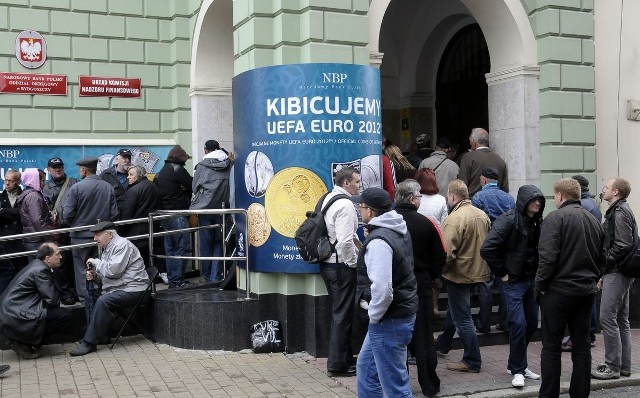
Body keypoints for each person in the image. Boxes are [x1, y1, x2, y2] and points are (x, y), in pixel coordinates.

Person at [536, 178, 604, 398]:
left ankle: (549, 395)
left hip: (559, 291)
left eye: (554, 196)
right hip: (585, 292)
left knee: (551, 347)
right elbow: (603, 257)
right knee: (582, 346)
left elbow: (547, 258)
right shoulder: (593, 219)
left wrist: (540, 286)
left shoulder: (555, 218)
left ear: (560, 196)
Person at [353, 188, 418, 397]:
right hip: (395, 315)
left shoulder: (380, 241)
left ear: (370, 211)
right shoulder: (395, 229)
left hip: (388, 319)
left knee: (394, 386)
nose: (359, 211)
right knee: (366, 369)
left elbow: (383, 289)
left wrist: (374, 315)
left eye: (360, 207)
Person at [480, 185, 545, 388]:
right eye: (533, 200)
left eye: (540, 201)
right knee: (518, 323)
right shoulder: (508, 220)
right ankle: (518, 369)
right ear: (524, 201)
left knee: (532, 323)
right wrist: (502, 273)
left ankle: (517, 364)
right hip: (513, 282)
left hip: (530, 280)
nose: (537, 204)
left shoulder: (537, 222)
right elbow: (487, 248)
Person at [395, 180, 446, 397]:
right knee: (424, 337)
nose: (420, 200)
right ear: (411, 199)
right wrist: (433, 277)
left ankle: (400, 385)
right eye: (418, 197)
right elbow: (440, 257)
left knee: (397, 341)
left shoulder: (387, 221)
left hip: (395, 288)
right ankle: (429, 385)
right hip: (421, 286)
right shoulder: (426, 223)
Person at [69, 221, 150, 356]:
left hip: (134, 290)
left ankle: (89, 343)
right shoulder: (108, 248)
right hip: (120, 288)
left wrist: (96, 262)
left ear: (110, 235)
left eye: (98, 235)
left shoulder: (122, 245)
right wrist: (95, 277)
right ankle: (99, 335)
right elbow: (108, 276)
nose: (95, 239)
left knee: (103, 300)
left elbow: (114, 271)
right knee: (91, 296)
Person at [439, 179, 490, 373]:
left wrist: (440, 271)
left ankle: (472, 360)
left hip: (459, 273)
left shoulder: (454, 218)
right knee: (456, 310)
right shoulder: (482, 214)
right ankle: (443, 343)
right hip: (477, 271)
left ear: (452, 196)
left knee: (462, 318)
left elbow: (447, 252)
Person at [591, 178, 635, 380]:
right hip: (621, 272)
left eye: (606, 188)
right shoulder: (621, 210)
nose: (604, 191)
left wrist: (605, 264)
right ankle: (623, 366)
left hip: (617, 272)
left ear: (615, 192)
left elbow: (623, 245)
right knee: (620, 320)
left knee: (607, 318)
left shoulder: (618, 212)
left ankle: (612, 366)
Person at [320, 167, 360, 377]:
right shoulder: (345, 204)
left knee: (339, 313)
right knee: (342, 315)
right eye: (357, 182)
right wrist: (353, 264)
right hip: (340, 265)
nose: (359, 186)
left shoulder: (328, 197)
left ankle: (343, 358)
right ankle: (337, 365)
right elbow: (345, 241)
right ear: (346, 183)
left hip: (328, 264)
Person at [0, 242, 70, 359]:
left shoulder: (36, 265)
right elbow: (52, 300)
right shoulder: (41, 271)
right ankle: (23, 342)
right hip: (14, 313)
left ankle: (24, 341)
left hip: (12, 310)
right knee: (63, 315)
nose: (61, 257)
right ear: (47, 258)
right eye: (57, 254)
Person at [61, 157, 119, 299]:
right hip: (103, 235)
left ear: (84, 170)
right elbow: (114, 214)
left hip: (80, 236)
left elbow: (67, 214)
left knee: (82, 268)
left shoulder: (76, 188)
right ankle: (100, 294)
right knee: (100, 266)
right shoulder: (108, 187)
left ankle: (85, 298)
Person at [471, 167, 515, 334]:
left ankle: (483, 324)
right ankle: (505, 322)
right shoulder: (509, 198)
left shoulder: (478, 197)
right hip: (505, 246)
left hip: (487, 245)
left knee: (485, 284)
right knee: (504, 283)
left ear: (484, 180)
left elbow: (477, 223)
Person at [562, 174, 602, 352]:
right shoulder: (592, 205)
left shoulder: (582, 206)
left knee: (585, 305)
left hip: (581, 261)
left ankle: (585, 335)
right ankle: (588, 334)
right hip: (590, 261)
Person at [190, 140, 234, 283]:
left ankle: (208, 275)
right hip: (224, 209)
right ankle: (216, 275)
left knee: (206, 242)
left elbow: (194, 187)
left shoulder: (202, 166)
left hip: (206, 209)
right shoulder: (229, 164)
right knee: (220, 243)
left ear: (205, 150)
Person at [154, 145, 193, 288]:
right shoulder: (178, 169)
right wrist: (184, 191)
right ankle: (177, 280)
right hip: (177, 214)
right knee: (181, 248)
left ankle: (172, 280)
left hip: (164, 215)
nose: (185, 162)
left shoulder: (160, 173)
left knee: (170, 249)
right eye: (184, 159)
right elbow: (192, 185)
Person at [42, 157, 79, 303]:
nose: (57, 169)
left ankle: (75, 290)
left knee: (75, 262)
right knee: (59, 264)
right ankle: (65, 293)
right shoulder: (45, 187)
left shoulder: (74, 183)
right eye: (54, 167)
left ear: (63, 168)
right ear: (49, 170)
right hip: (56, 233)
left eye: (59, 167)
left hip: (73, 229)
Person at [119, 165, 162, 264]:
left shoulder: (134, 190)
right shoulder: (153, 186)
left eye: (131, 174)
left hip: (137, 235)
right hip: (152, 231)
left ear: (139, 176)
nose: (128, 177)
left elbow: (126, 215)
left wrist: (120, 231)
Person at [458, 128, 508, 197]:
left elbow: (461, 185)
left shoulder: (468, 157)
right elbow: (505, 189)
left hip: (473, 204)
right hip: (495, 204)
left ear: (473, 142)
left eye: (470, 141)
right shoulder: (500, 160)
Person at [16, 169, 54, 262]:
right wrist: (49, 236)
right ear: (34, 180)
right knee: (39, 267)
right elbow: (37, 220)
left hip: (32, 238)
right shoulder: (34, 196)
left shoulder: (28, 193)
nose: (43, 183)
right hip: (37, 240)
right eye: (41, 180)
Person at [0, 169, 25, 290]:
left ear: (18, 182)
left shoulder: (24, 195)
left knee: (20, 274)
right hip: (4, 240)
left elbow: (22, 214)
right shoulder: (1, 196)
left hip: (20, 240)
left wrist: (3, 211)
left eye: (10, 181)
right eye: (5, 180)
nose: (7, 183)